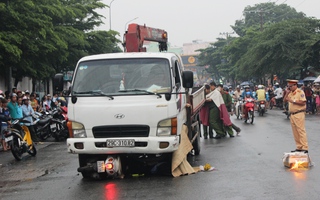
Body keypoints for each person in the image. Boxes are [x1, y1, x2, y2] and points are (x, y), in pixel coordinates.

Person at [284, 80, 308, 153]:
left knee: (301, 130)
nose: (289, 88)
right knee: (295, 132)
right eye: (288, 86)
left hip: (299, 113)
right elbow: (285, 100)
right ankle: (299, 146)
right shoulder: (290, 93)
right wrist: (287, 93)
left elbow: (303, 102)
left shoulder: (300, 92)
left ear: (295, 85)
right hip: (292, 114)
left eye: (290, 86)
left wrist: (292, 101)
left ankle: (305, 147)